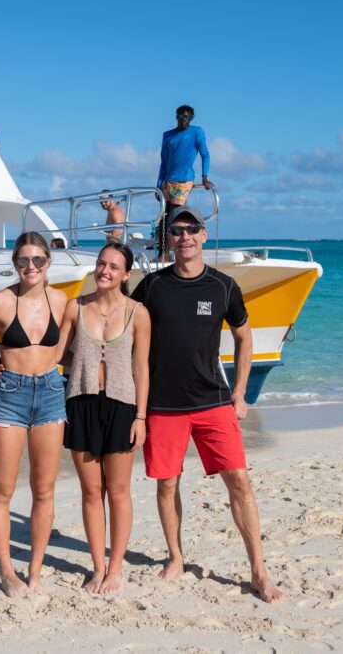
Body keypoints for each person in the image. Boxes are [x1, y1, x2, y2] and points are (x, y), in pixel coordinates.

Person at [130, 206, 285, 604]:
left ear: (203, 235)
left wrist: (240, 393)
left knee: (239, 483)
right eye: (176, 230)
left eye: (191, 229)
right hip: (163, 406)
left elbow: (245, 338)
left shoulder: (223, 287)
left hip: (213, 402)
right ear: (169, 239)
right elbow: (121, 326)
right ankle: (177, 557)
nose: (184, 236)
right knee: (167, 484)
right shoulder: (151, 286)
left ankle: (258, 571)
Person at [57, 242, 150, 594]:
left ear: (126, 274)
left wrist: (141, 416)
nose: (105, 270)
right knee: (91, 491)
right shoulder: (75, 307)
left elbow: (141, 367)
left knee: (119, 490)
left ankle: (116, 568)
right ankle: (98, 567)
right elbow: (56, 353)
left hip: (123, 405)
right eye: (100, 264)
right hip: (80, 403)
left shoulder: (137, 313)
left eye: (113, 266)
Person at [0, 232, 69, 597]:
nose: (30, 267)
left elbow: (70, 348)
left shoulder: (62, 300)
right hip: (11, 396)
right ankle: (6, 571)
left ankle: (35, 568)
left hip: (51, 393)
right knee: (2, 490)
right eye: (23, 261)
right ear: (14, 264)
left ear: (48, 262)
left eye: (37, 260)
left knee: (44, 489)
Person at [156, 105, 212, 261]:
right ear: (176, 117)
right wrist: (158, 184)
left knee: (174, 215)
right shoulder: (167, 135)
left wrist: (204, 177)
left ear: (192, 118)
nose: (184, 120)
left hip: (184, 180)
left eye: (188, 117)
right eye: (181, 117)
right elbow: (164, 162)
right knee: (163, 216)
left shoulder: (196, 132)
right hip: (168, 180)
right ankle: (163, 253)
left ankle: (171, 252)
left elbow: (205, 154)